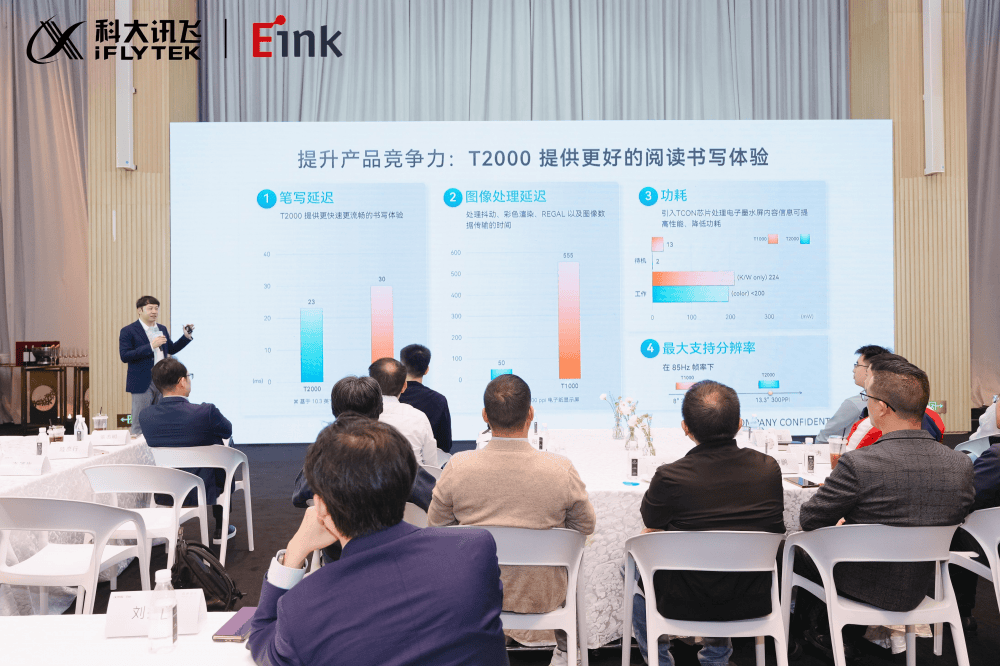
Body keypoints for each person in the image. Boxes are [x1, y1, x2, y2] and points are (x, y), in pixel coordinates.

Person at [248, 415, 508, 666]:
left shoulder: (301, 608)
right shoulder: (475, 551)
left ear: (321, 507)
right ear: (407, 484)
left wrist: (294, 552)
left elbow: (262, 637)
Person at [794, 355, 974, 656]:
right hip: (920, 584)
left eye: (866, 397)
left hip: (859, 582)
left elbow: (810, 519)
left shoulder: (859, 463)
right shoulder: (960, 464)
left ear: (880, 407)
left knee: (793, 550)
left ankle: (815, 634)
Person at [427, 374, 596, 666]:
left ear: (485, 415)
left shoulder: (458, 467)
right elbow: (586, 526)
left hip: (476, 592)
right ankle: (567, 652)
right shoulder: (560, 469)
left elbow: (436, 528)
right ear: (531, 413)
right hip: (543, 595)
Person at [634, 380, 784, 666]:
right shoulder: (767, 469)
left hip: (682, 600)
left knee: (633, 562)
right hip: (752, 596)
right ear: (739, 423)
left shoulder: (670, 476)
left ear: (685, 428)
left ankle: (659, 661)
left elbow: (651, 521)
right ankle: (716, 659)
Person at [292, 375, 437, 563]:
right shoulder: (396, 455)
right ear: (380, 409)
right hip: (396, 557)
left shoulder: (321, 457)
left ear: (334, 410)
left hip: (337, 560)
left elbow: (299, 497)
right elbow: (434, 499)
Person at [137, 358, 234, 541]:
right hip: (203, 488)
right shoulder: (206, 412)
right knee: (224, 447)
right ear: (182, 381)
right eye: (189, 377)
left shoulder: (145, 416)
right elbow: (227, 430)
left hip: (166, 489)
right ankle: (221, 526)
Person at [119, 295, 193, 435]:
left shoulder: (161, 329)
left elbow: (171, 349)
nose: (154, 312)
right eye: (150, 308)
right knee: (140, 421)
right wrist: (151, 346)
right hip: (142, 381)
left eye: (156, 308)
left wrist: (185, 337)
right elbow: (125, 355)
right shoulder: (128, 330)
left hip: (163, 380)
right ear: (140, 310)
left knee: (162, 419)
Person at [369, 357, 437, 466]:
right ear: (404, 386)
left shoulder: (360, 417)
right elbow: (432, 465)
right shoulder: (419, 417)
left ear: (370, 385)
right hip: (414, 476)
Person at [815, 345, 890, 444]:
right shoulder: (893, 399)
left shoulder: (855, 404)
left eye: (857, 365)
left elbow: (823, 438)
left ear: (869, 369)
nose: (854, 370)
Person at [399, 343, 453, 455]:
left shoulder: (390, 397)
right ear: (427, 370)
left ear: (401, 368)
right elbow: (445, 445)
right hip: (427, 463)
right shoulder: (439, 400)